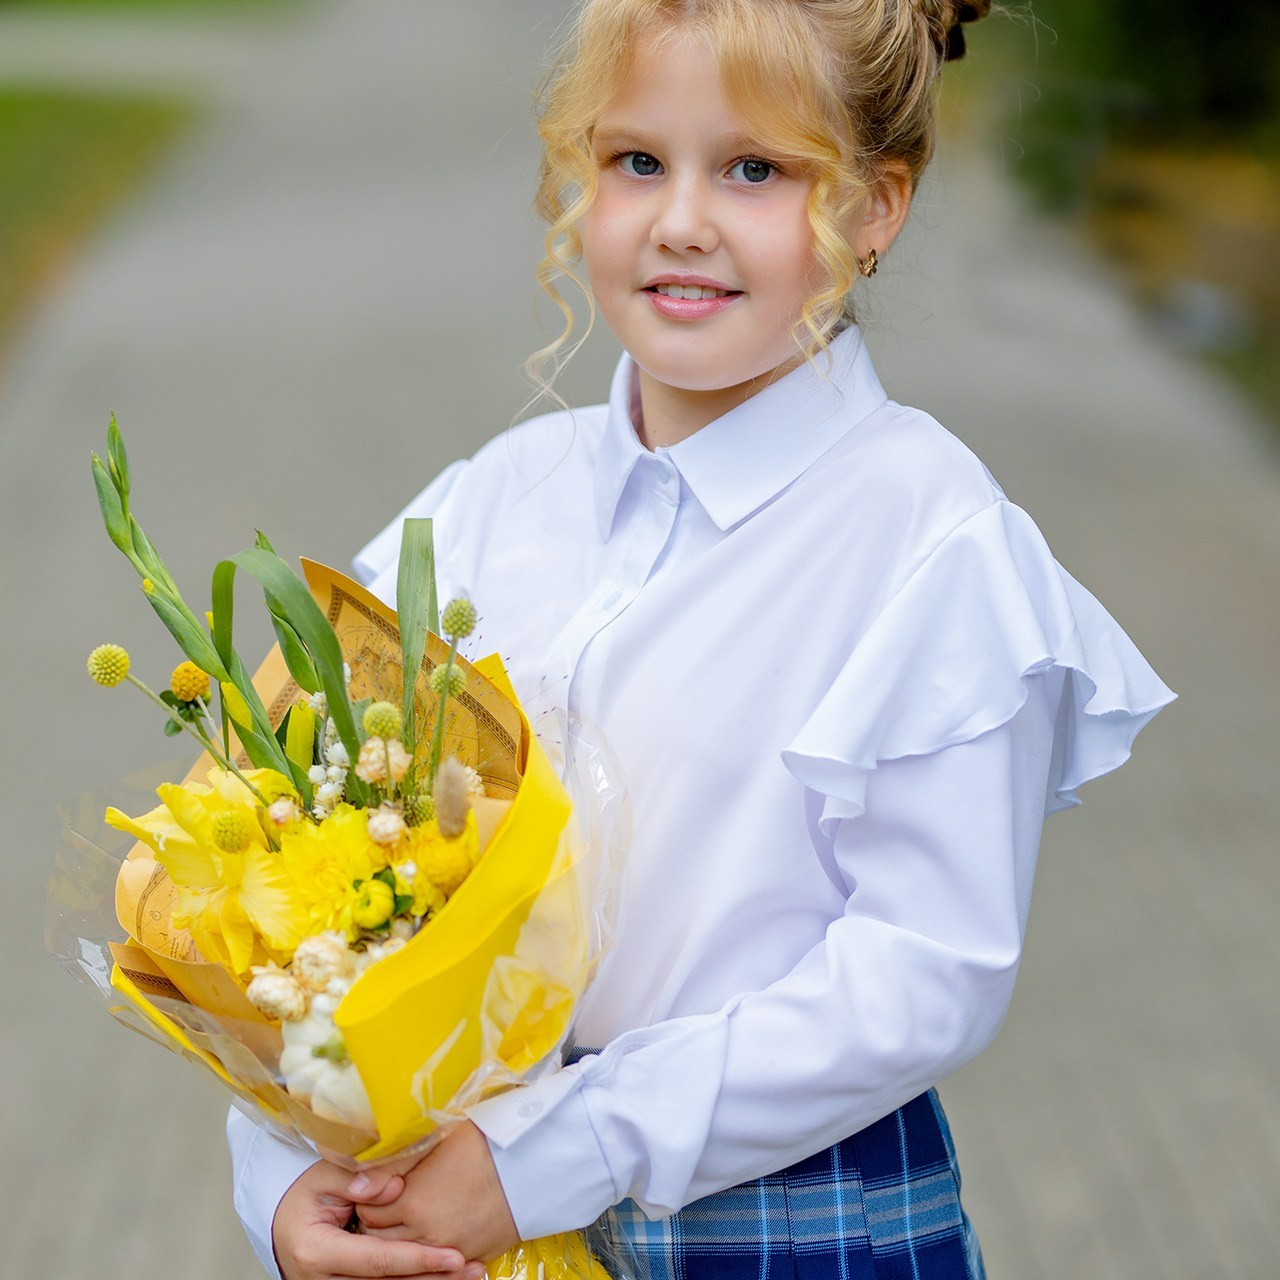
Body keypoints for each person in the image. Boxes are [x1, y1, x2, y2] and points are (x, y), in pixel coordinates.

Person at [229, 1, 1175, 1277]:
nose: (681, 218)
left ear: (874, 207)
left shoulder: (926, 537)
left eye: (753, 169)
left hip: (773, 1226)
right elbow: (293, 851)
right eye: (635, 161)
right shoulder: (492, 500)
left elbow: (920, 970)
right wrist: (290, 1179)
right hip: (445, 1210)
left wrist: (549, 1157)